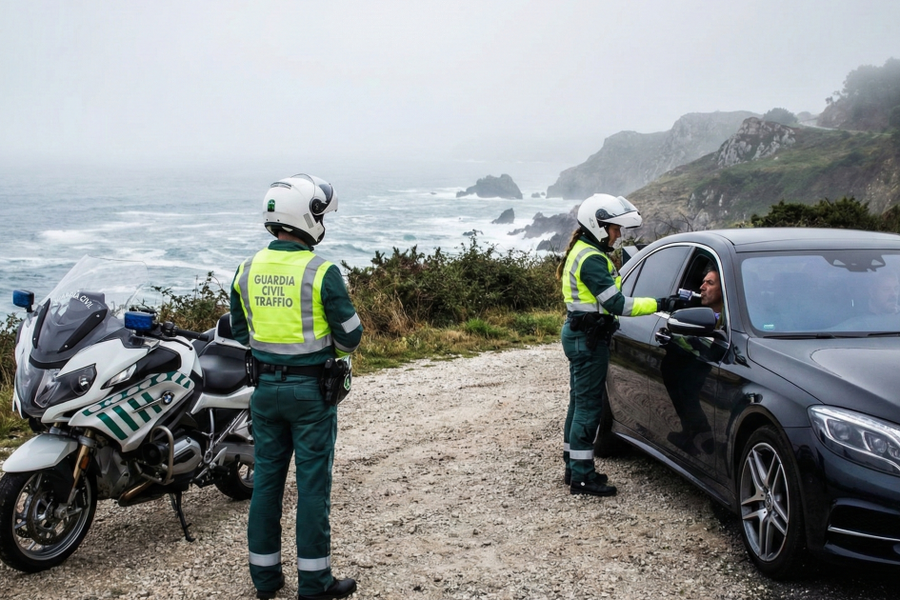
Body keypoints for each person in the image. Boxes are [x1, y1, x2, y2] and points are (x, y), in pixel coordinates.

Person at [231, 174, 363, 600]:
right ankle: (315, 583)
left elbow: (238, 330)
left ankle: (265, 580)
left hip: (264, 391)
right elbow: (351, 336)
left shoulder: (246, 269)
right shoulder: (321, 271)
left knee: (267, 483)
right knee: (312, 489)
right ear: (307, 217)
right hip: (311, 395)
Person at [557, 193, 670, 497]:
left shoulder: (582, 250)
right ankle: (582, 477)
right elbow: (617, 303)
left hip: (580, 334)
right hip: (589, 339)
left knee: (578, 402)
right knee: (589, 406)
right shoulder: (592, 259)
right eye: (615, 229)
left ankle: (573, 466)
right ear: (599, 226)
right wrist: (660, 303)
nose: (618, 235)